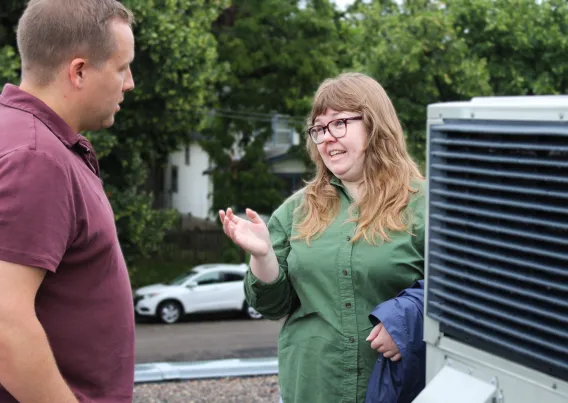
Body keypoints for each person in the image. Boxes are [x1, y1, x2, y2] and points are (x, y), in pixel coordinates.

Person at [219, 72, 426, 402]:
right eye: (319, 129)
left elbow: (463, 292)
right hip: (314, 387)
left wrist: (405, 322)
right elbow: (273, 306)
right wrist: (262, 257)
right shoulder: (294, 212)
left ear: (375, 124)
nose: (327, 137)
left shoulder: (426, 206)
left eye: (339, 123)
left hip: (399, 388)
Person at [0, 0, 136, 402]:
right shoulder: (35, 157)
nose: (129, 82)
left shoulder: (25, 137)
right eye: (121, 67)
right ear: (79, 71)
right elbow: (6, 322)